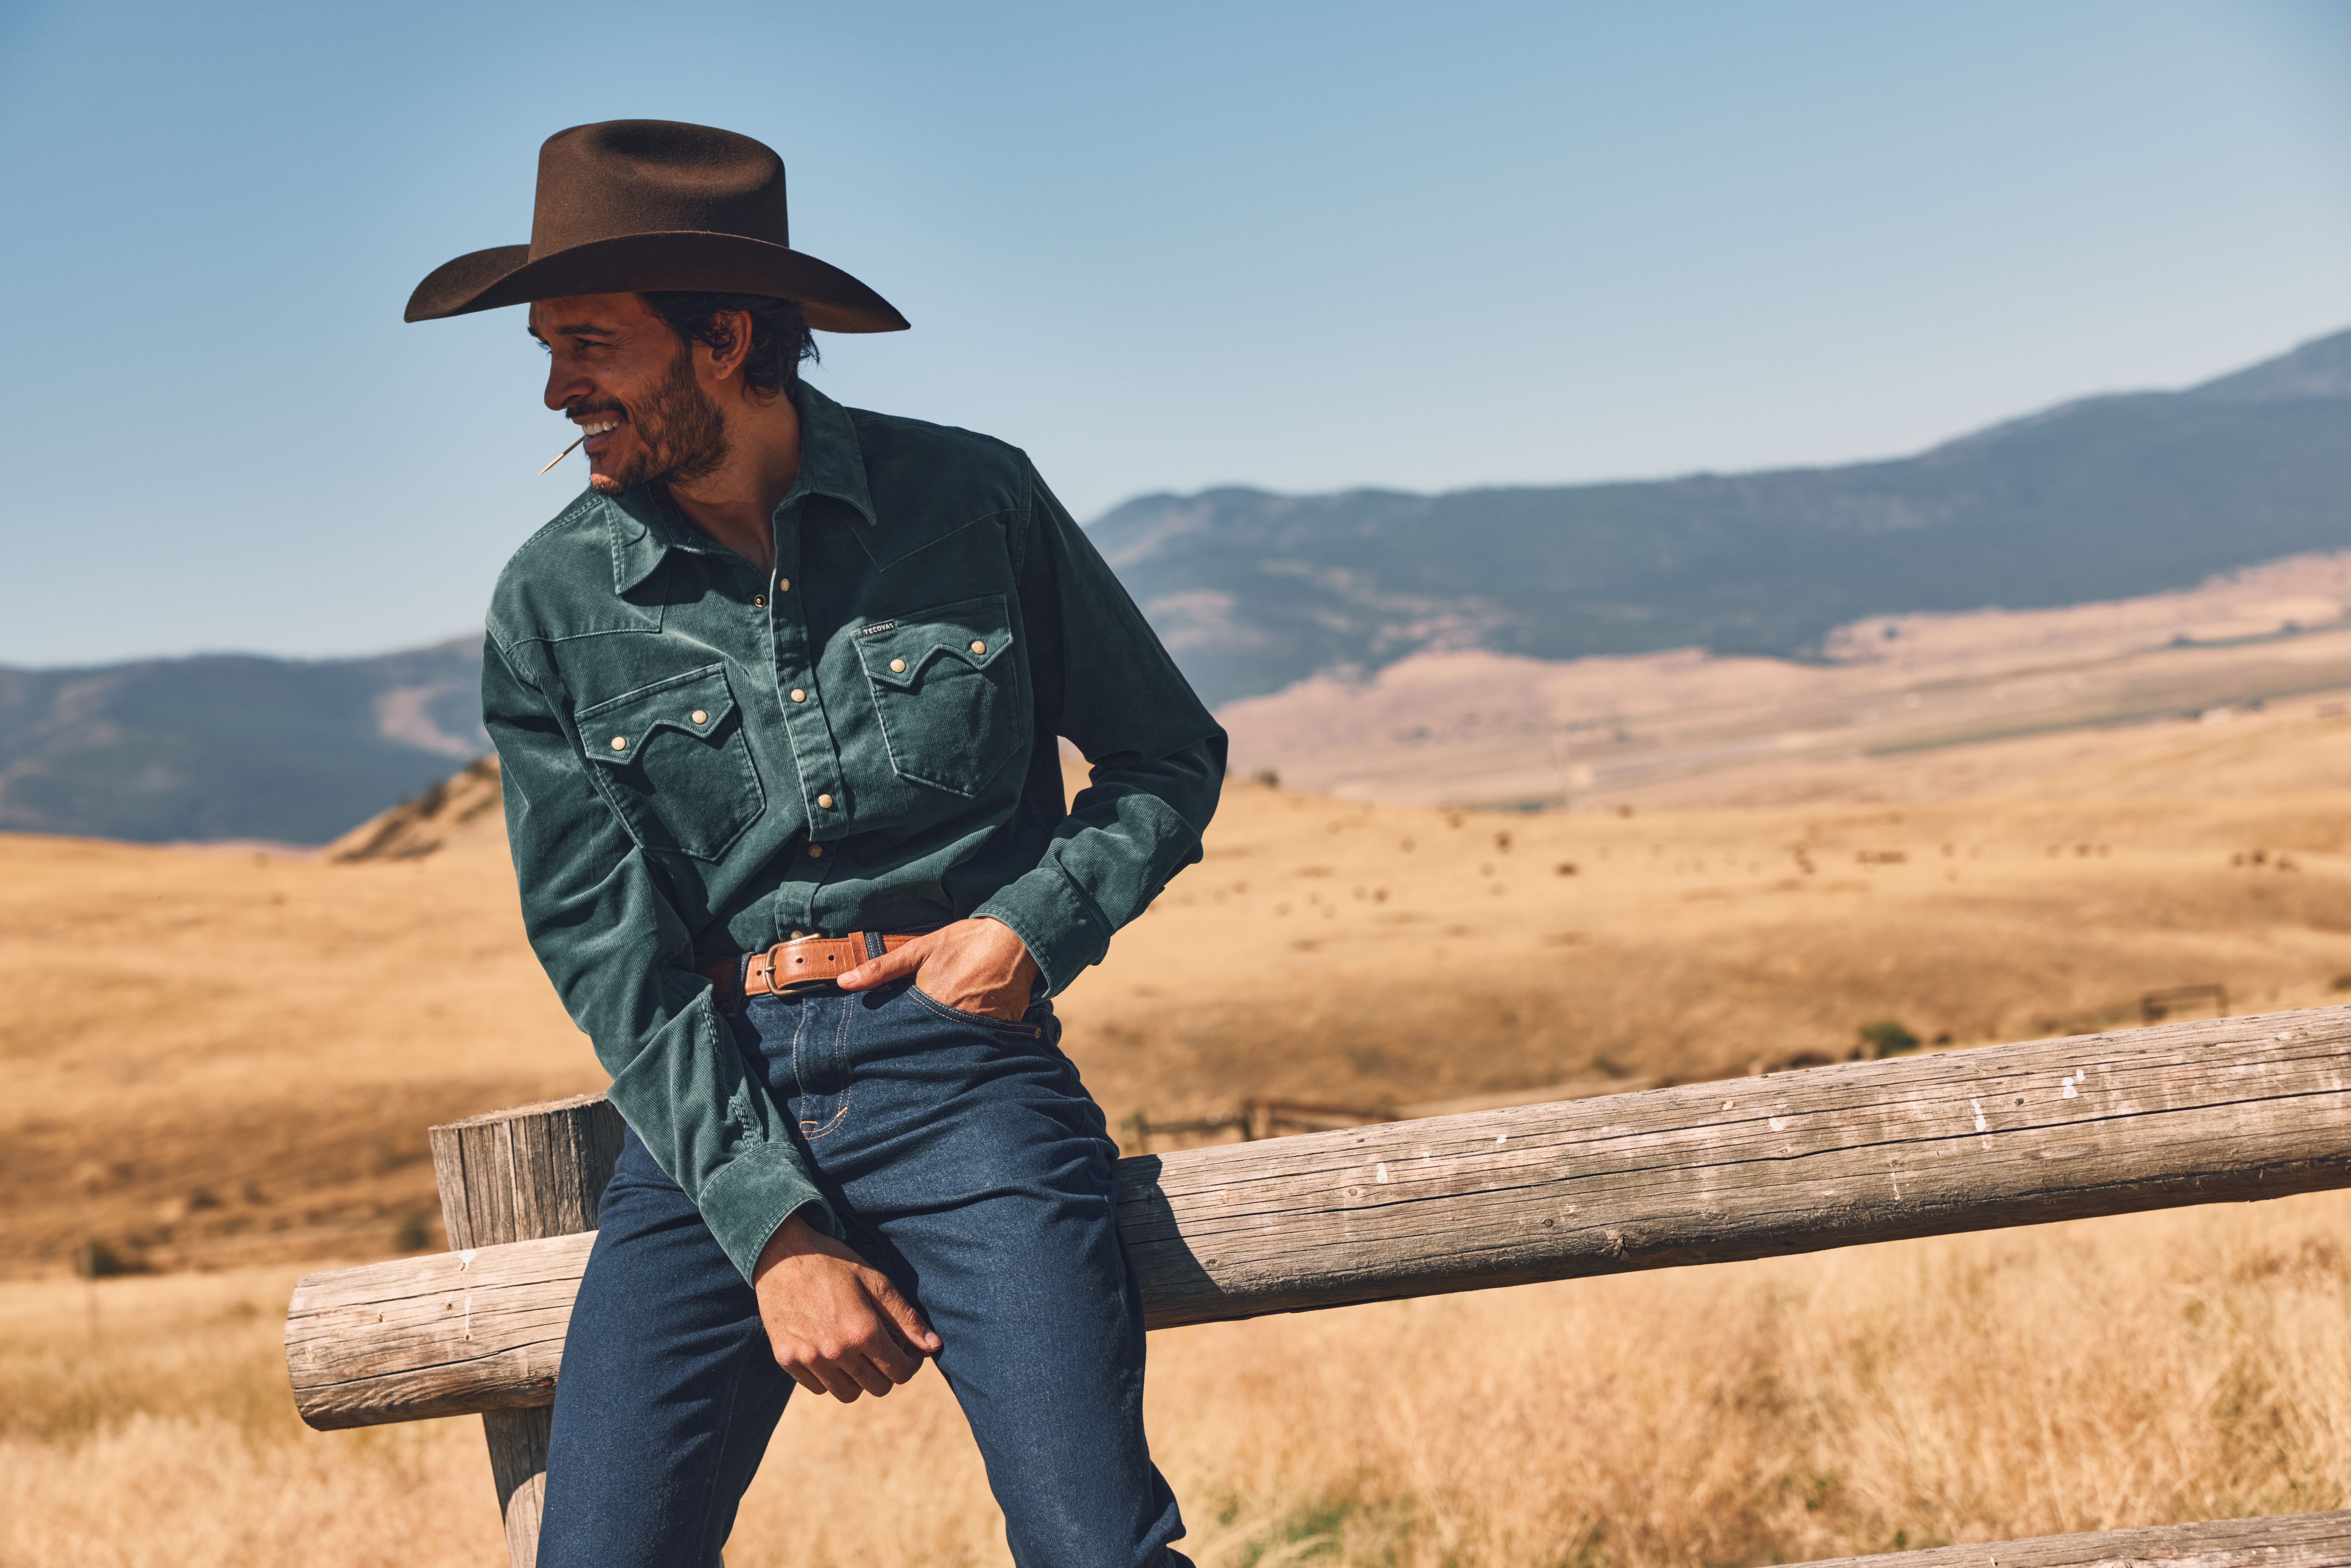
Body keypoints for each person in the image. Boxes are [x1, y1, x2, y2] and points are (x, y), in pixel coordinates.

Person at [407, 119, 1222, 1567]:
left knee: (1100, 1550)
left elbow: (1166, 756)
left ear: (723, 336)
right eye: (545, 346)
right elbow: (612, 956)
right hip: (710, 1099)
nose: (554, 387)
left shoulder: (972, 501)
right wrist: (775, 1234)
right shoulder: (550, 606)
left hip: (961, 1068)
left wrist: (1032, 926)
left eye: (588, 340)